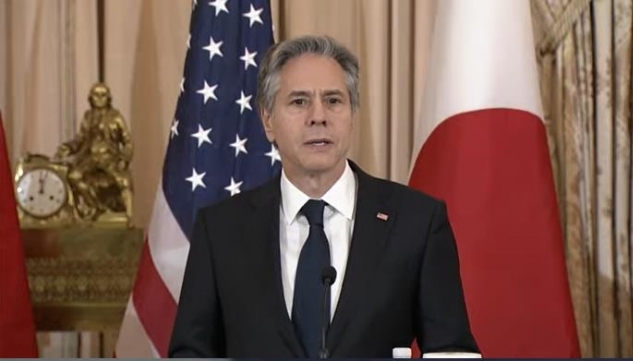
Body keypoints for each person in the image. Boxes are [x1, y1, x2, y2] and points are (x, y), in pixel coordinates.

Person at [169, 35, 479, 358]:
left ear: (352, 113)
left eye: (333, 100)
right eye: (299, 102)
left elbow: (452, 350)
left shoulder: (417, 223)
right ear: (268, 120)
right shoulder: (221, 229)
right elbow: (190, 353)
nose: (318, 116)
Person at [55, 83, 133, 221]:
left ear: (108, 97)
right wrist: (68, 148)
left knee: (124, 182)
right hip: (91, 158)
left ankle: (129, 217)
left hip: (110, 158)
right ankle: (97, 208)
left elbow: (128, 142)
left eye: (103, 95)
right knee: (73, 176)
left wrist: (124, 159)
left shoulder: (116, 117)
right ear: (91, 98)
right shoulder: (88, 116)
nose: (99, 98)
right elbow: (80, 139)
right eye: (96, 95)